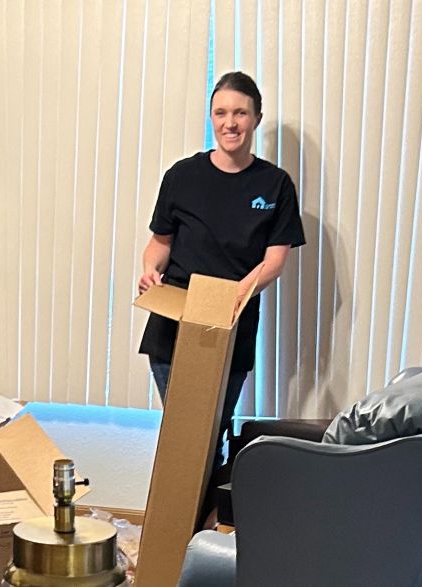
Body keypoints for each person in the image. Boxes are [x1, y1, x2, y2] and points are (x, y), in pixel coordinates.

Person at [135, 71, 307, 527]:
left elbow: (274, 261)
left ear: (256, 118)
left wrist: (233, 296)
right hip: (174, 325)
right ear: (212, 118)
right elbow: (160, 242)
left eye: (240, 113)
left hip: (231, 327)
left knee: (209, 435)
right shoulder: (182, 175)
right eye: (221, 113)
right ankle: (181, 532)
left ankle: (192, 533)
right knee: (185, 437)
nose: (230, 122)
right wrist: (150, 267)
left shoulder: (275, 186)